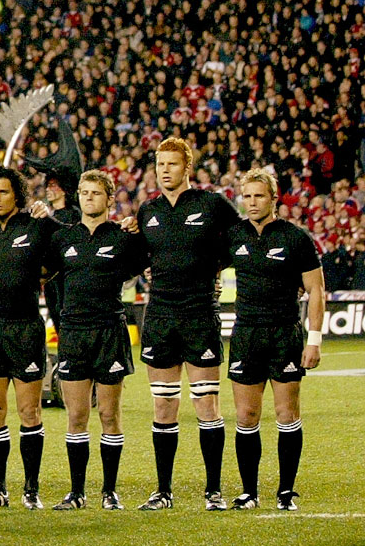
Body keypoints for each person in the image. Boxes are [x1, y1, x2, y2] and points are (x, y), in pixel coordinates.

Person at [134, 137, 243, 511]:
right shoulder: (147, 211)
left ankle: (213, 491)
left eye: (172, 164)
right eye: (160, 164)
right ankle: (163, 491)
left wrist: (217, 267)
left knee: (206, 405)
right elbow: (137, 255)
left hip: (199, 314)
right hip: (160, 315)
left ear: (187, 168)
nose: (165, 170)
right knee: (163, 407)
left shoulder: (212, 205)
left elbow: (242, 241)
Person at [48, 170, 147, 510]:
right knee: (76, 417)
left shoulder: (123, 237)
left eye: (95, 193)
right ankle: (76, 493)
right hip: (73, 332)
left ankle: (109, 491)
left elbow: (152, 263)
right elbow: (42, 272)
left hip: (110, 331)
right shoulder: (63, 239)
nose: (89, 198)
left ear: (108, 198)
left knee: (108, 415)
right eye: (84, 192)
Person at [227, 168, 323, 511]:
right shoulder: (233, 234)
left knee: (286, 412)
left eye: (258, 196)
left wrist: (314, 340)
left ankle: (285, 493)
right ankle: (248, 492)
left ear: (273, 199)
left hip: (284, 333)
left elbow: (316, 290)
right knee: (247, 415)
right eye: (247, 196)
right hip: (246, 335)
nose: (252, 202)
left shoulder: (296, 238)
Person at [0, 166, 59, 509]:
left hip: (26, 328)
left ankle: (31, 489)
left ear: (17, 194)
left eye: (3, 192)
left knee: (30, 410)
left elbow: (63, 253)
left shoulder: (37, 228)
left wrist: (49, 216)